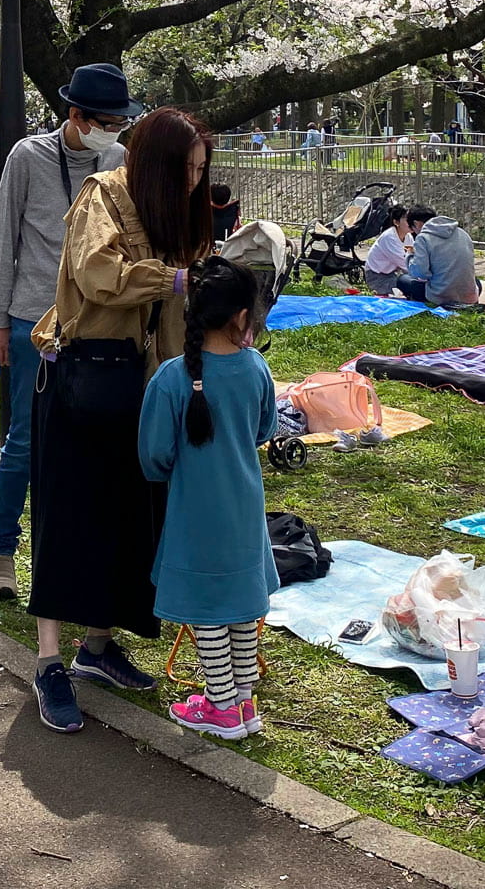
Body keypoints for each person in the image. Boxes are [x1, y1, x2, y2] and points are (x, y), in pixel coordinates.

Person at [27, 104, 211, 734]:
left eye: (199, 172)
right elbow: (100, 274)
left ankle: (98, 646)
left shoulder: (172, 215)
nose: (192, 183)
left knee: (128, 515)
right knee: (68, 514)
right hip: (82, 379)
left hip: (145, 386)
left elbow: (180, 314)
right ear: (157, 164)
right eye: (185, 170)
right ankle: (49, 660)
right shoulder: (101, 194)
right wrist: (179, 279)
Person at [0, 62, 134, 604]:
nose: (113, 132)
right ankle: (2, 553)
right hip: (30, 318)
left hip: (91, 321)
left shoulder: (116, 159)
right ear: (75, 115)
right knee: (23, 441)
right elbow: (5, 240)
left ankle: (71, 557)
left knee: (85, 441)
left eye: (119, 123)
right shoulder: (28, 156)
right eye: (106, 122)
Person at [138, 257, 280, 740]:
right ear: (243, 317)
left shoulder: (171, 378)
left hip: (193, 513)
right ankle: (242, 702)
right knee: (240, 606)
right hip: (243, 508)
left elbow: (153, 457)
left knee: (206, 612)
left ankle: (220, 706)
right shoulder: (257, 367)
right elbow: (265, 429)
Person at [396, 204, 478, 307]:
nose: (414, 233)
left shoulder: (423, 238)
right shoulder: (463, 233)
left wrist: (409, 256)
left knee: (402, 280)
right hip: (469, 296)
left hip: (441, 297)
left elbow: (420, 273)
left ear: (417, 224)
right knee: (476, 282)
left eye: (413, 229)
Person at [361, 205, 414, 296]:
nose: (411, 222)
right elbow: (405, 263)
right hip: (377, 277)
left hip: (391, 274)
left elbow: (413, 256)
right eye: (406, 219)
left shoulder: (408, 237)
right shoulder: (389, 237)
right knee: (409, 289)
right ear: (396, 222)